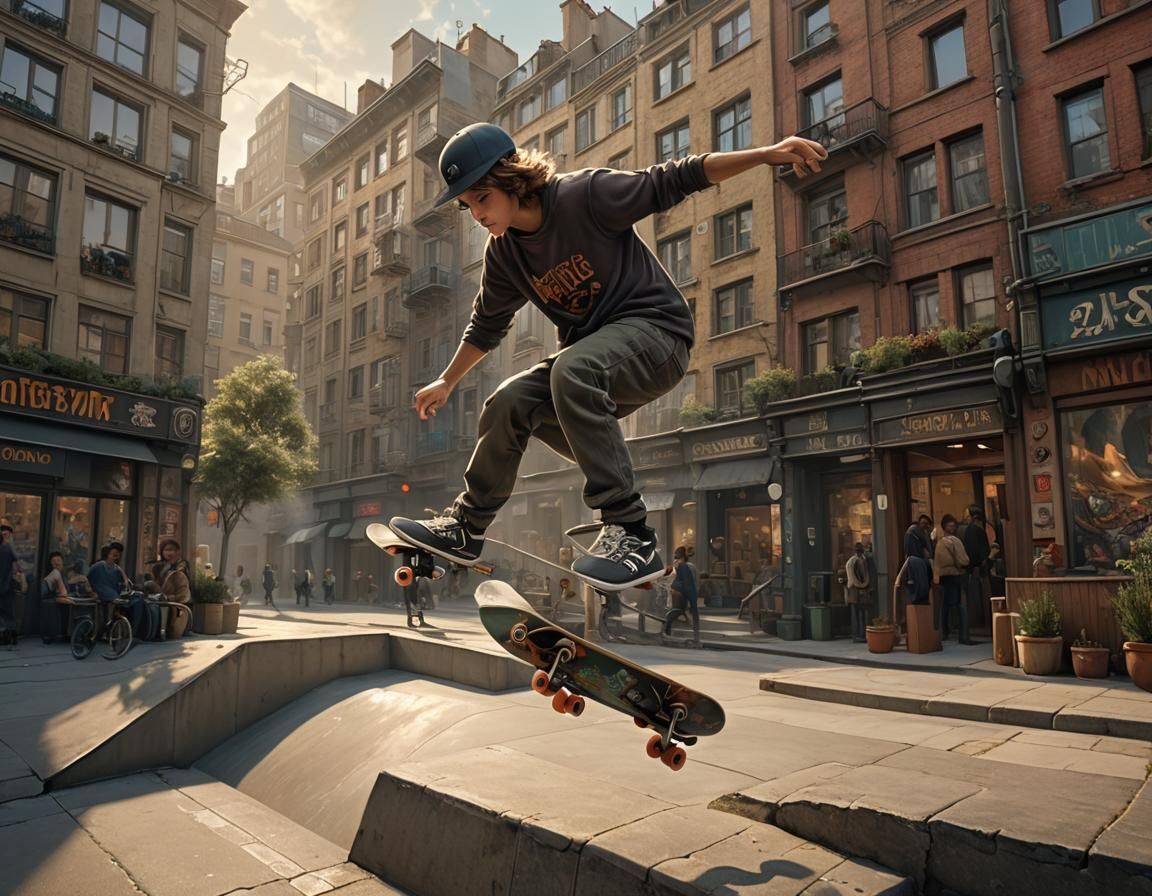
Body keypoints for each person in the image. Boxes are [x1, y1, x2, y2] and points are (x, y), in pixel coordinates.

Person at [389, 123, 827, 591]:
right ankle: (466, 528)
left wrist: (765, 153)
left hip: (658, 339)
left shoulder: (586, 195)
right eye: (468, 205)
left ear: (512, 178)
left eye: (482, 198)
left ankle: (632, 533)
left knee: (573, 369)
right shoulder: (504, 256)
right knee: (508, 401)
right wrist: (447, 381)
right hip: (595, 368)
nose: (476, 214)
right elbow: (486, 326)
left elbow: (675, 177)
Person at [86, 541, 144, 634]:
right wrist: (91, 591)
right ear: (107, 554)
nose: (116, 557)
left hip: (116, 593)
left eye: (118, 555)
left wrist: (125, 579)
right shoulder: (99, 566)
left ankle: (134, 630)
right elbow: (87, 578)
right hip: (105, 594)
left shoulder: (117, 568)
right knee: (115, 599)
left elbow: (127, 583)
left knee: (139, 596)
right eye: (113, 555)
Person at [933, 515, 972, 644]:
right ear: (946, 527)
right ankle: (963, 634)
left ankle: (944, 631)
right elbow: (964, 560)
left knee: (944, 605)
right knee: (961, 605)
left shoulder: (939, 543)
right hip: (955, 575)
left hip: (943, 576)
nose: (953, 528)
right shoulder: (954, 541)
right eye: (951, 526)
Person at [152, 539, 192, 638]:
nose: (169, 552)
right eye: (166, 549)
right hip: (159, 598)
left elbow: (180, 575)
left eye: (172, 550)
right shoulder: (157, 565)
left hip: (175, 600)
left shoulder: (181, 564)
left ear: (177, 551)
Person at [662, 546, 699, 646]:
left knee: (674, 613)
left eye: (676, 557)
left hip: (681, 593)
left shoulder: (682, 566)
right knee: (684, 611)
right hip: (688, 592)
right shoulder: (690, 566)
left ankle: (667, 633)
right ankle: (696, 635)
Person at [844, 542, 871, 643]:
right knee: (861, 613)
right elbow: (860, 576)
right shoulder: (858, 561)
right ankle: (861, 635)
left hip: (852, 589)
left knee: (855, 613)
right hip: (857, 589)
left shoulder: (851, 561)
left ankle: (856, 635)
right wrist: (865, 585)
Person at [0, 524, 20, 647]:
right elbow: (15, 568)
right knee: (8, 613)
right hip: (7, 586)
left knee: (3, 614)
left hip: (4, 586)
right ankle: (12, 637)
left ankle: (5, 637)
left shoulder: (6, 548)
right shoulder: (8, 548)